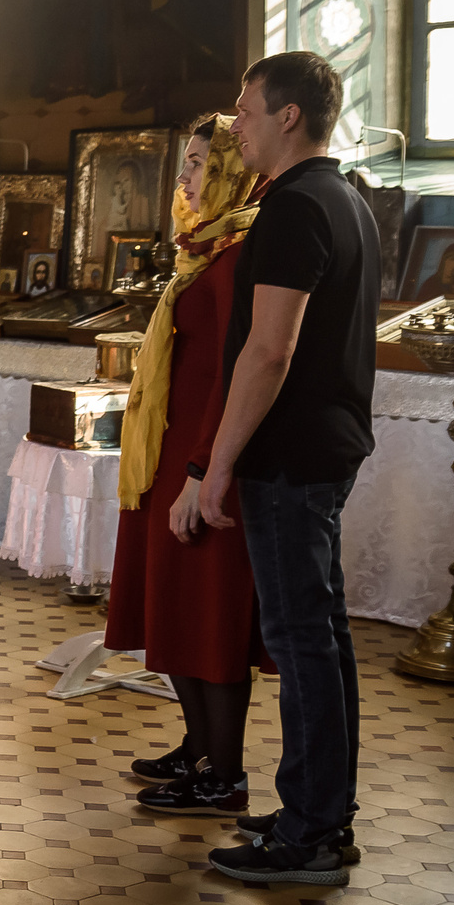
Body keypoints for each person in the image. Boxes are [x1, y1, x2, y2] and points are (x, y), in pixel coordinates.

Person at [195, 50, 380, 888]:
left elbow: (269, 352)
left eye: (246, 109)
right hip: (326, 446)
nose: (236, 125)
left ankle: (308, 831)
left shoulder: (294, 208)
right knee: (321, 635)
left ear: (289, 117)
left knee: (301, 639)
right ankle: (321, 811)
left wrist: (217, 466)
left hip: (292, 454)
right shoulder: (347, 200)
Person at [106, 116, 269, 815]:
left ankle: (224, 773)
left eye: (199, 163)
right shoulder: (201, 250)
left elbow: (238, 371)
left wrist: (206, 467)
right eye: (186, 163)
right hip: (167, 454)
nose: (185, 177)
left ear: (231, 170)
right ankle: (198, 742)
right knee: (171, 607)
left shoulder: (238, 257)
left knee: (210, 615)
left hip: (207, 456)